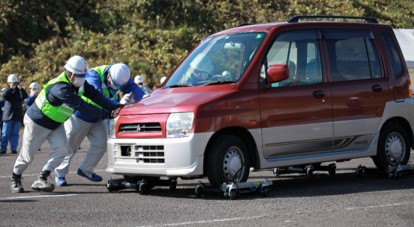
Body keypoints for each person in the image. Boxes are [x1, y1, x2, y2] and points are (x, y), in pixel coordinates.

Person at [10, 55, 122, 193]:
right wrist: (107, 114)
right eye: (79, 75)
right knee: (28, 155)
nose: (82, 78)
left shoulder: (79, 83)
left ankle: (42, 178)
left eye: (84, 75)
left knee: (62, 149)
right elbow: (82, 106)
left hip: (56, 123)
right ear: (69, 74)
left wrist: (115, 107)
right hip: (37, 122)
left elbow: (95, 96)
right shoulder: (60, 88)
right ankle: (15, 178)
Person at [54, 63, 144, 186]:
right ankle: (60, 174)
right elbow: (99, 97)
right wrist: (118, 105)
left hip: (99, 118)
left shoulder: (123, 77)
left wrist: (147, 100)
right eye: (114, 84)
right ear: (108, 76)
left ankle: (85, 170)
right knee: (70, 146)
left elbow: (136, 91)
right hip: (80, 116)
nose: (116, 88)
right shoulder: (93, 76)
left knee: (101, 144)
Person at [1, 74, 28, 154]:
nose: (15, 84)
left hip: (17, 115)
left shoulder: (19, 91)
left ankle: (13, 148)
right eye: (13, 82)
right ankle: (3, 148)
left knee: (15, 134)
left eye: (15, 82)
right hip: (8, 115)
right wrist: (11, 88)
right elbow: (4, 95)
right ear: (9, 82)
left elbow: (25, 97)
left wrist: (21, 88)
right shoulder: (6, 90)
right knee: (5, 133)